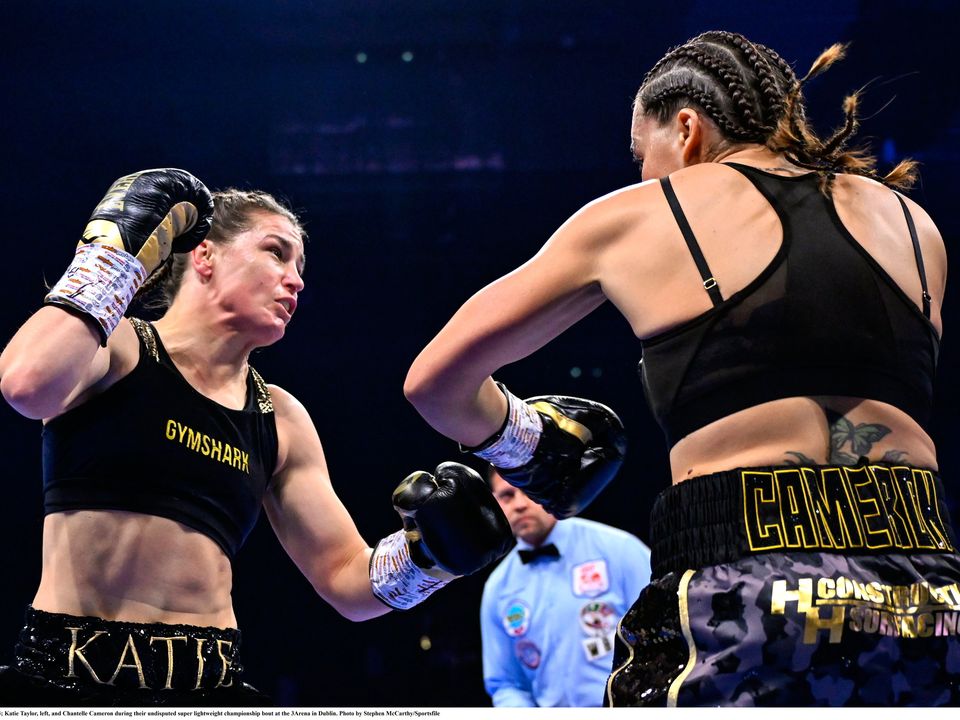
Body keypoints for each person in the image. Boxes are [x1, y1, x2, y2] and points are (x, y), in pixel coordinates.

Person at [404, 30, 960, 707]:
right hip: (927, 589)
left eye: (644, 153)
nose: (642, 176)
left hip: (748, 572)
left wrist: (524, 441)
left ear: (687, 129)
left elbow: (434, 381)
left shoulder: (644, 214)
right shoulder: (913, 224)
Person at [0, 169, 513, 706]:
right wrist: (114, 251)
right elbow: (26, 384)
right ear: (204, 255)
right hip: (64, 675)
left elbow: (346, 580)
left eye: (300, 266)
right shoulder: (118, 346)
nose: (296, 280)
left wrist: (429, 559)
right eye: (276, 252)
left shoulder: (281, 417)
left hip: (210, 684)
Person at [480, 466, 650, 707]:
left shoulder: (620, 550)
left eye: (529, 491)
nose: (519, 504)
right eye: (507, 495)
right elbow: (506, 684)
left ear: (549, 491)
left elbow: (666, 637)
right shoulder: (498, 588)